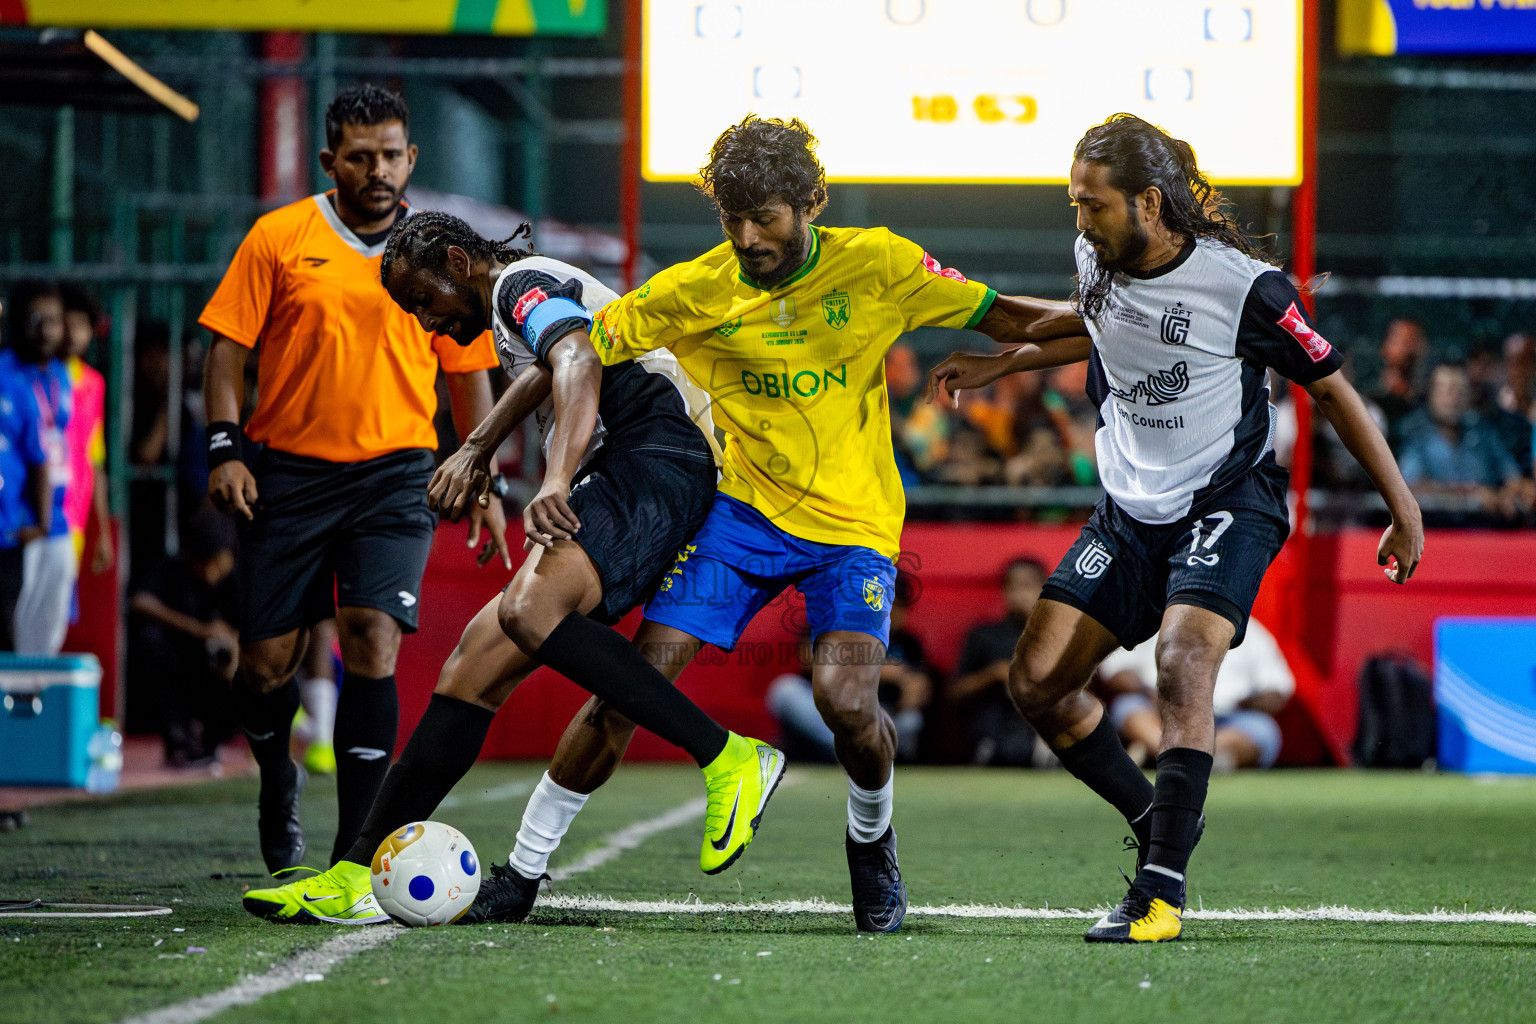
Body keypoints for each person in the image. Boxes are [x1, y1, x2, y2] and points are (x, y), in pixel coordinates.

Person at [485, 115, 1087, 933]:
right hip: (743, 520)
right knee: (633, 685)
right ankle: (520, 871)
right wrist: (488, 445)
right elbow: (577, 349)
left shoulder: (876, 263)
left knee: (845, 702)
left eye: (763, 215)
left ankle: (870, 840)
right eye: (731, 218)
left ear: (812, 202)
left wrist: (1110, 316)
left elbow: (1006, 317)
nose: (746, 236)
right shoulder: (694, 288)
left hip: (856, 529)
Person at [927, 113, 1423, 943]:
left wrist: (1401, 509)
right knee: (1037, 683)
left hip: (1226, 500)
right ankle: (1163, 815)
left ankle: (1159, 895)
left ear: (1148, 202)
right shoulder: (1098, 257)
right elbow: (1099, 324)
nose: (1079, 221)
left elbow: (1334, 390)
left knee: (1185, 659)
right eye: (1074, 204)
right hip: (1128, 511)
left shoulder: (1247, 289)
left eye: (1092, 205)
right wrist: (1001, 364)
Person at [240, 212, 783, 925]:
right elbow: (545, 371)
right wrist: (478, 448)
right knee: (471, 667)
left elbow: (579, 361)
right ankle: (355, 875)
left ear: (460, 262)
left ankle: (730, 755)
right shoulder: (518, 310)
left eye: (426, 303)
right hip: (638, 467)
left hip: (656, 459)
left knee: (530, 612)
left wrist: (553, 481)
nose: (429, 325)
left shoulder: (519, 285)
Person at [198, 85, 510, 877]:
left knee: (372, 641)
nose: (378, 170)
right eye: (361, 156)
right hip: (287, 475)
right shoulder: (280, 236)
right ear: (331, 158)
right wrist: (224, 449)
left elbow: (470, 372)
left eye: (392, 154)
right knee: (265, 665)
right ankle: (277, 778)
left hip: (396, 475)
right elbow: (227, 353)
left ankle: (353, 855)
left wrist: (482, 472)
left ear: (413, 158)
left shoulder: (440, 249)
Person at [768, 572, 932, 764]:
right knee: (785, 691)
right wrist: (875, 670)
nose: (894, 613)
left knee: (911, 720)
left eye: (899, 606)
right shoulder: (832, 620)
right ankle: (858, 751)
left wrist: (913, 693)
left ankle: (862, 751)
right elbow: (808, 657)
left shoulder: (907, 642)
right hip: (829, 714)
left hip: (878, 715)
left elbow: (920, 685)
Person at [1097, 618, 1293, 771]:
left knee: (1265, 730)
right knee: (1128, 707)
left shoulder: (1248, 630)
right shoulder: (1155, 621)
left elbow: (1279, 689)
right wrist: (1147, 691)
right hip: (1160, 708)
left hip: (1227, 716)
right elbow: (1115, 670)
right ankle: (1174, 754)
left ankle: (1192, 755)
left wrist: (1244, 703)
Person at [129, 511, 240, 767]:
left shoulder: (243, 577)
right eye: (202, 562)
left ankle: (218, 740)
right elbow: (140, 600)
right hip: (183, 665)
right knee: (151, 642)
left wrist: (235, 642)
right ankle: (179, 737)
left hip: (229, 675)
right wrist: (198, 629)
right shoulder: (175, 569)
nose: (209, 571)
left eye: (215, 561)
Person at [5, 282, 75, 656]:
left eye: (54, 320)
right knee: (14, 631)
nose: (46, 330)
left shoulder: (63, 376)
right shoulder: (8, 375)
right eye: (36, 320)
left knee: (47, 635)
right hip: (20, 527)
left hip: (57, 522)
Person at [1396, 364, 1532, 526]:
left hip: (1483, 531)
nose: (1452, 398)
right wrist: (1470, 494)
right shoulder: (1415, 433)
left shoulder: (1482, 431)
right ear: (1431, 394)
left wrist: (1511, 492)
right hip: (1433, 531)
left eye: (1459, 390)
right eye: (1445, 390)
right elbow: (1410, 487)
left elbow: (1511, 475)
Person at [947, 558, 1050, 767]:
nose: (1021, 594)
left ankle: (1044, 754)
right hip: (994, 720)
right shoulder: (984, 635)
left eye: (1028, 586)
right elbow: (955, 692)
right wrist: (993, 674)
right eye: (1013, 587)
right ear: (1005, 593)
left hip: (1039, 721)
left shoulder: (1055, 635)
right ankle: (987, 752)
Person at [0, 295, 53, 651]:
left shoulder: (15, 381)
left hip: (7, 535)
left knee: (6, 631)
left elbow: (39, 458)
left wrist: (44, 523)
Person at [59, 285, 113, 576]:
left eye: (81, 325)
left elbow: (95, 462)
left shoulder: (94, 385)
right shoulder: (36, 375)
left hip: (74, 519)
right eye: (65, 323)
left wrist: (102, 529)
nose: (71, 333)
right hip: (30, 515)